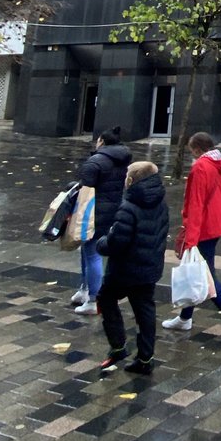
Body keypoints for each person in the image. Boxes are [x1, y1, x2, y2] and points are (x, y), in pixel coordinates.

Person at [162, 132, 221, 343]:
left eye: (192, 150)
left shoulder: (201, 167)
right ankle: (185, 318)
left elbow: (196, 204)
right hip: (217, 226)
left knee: (205, 275)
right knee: (197, 272)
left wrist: (191, 237)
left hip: (202, 229)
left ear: (197, 149)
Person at [96, 161, 169, 376]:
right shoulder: (161, 201)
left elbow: (116, 242)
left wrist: (102, 243)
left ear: (131, 180)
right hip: (149, 266)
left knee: (106, 298)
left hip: (125, 270)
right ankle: (145, 358)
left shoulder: (129, 207)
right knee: (145, 310)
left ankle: (118, 346)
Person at [72, 127, 132, 315]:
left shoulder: (95, 161)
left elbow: (85, 189)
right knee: (89, 251)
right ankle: (85, 289)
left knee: (92, 253)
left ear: (102, 141)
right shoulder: (124, 160)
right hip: (114, 211)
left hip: (93, 213)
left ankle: (93, 300)